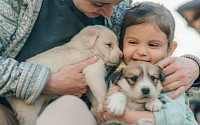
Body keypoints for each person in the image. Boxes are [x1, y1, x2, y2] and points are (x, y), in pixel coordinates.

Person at [0, 0, 199, 125]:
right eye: (98, 3)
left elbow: (151, 39)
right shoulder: (15, 4)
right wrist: (45, 82)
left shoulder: (122, 12)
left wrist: (194, 65)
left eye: (117, 3)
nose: (111, 14)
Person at [103, 2, 198, 125]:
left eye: (153, 45)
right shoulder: (115, 72)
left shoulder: (170, 76)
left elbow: (176, 114)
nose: (142, 52)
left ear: (170, 49)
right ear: (121, 43)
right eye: (133, 42)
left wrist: (130, 117)